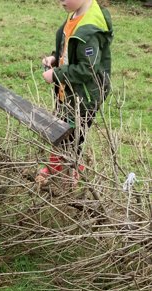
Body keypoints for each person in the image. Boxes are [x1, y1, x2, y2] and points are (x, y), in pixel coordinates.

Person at [37, 0, 113, 185]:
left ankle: (70, 172)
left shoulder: (90, 29)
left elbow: (87, 69)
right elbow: (69, 48)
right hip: (69, 90)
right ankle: (61, 168)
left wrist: (56, 74)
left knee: (72, 134)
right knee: (62, 129)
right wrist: (56, 58)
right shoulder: (75, 14)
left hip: (85, 96)